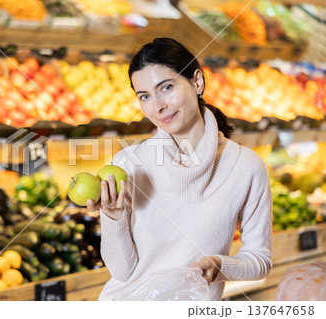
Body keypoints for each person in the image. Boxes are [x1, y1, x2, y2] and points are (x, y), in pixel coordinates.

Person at [87, 38, 272, 301]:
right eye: (145, 96)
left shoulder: (246, 166)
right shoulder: (129, 163)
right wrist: (114, 216)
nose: (157, 106)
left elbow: (260, 259)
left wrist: (221, 266)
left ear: (197, 82)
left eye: (167, 87)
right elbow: (122, 271)